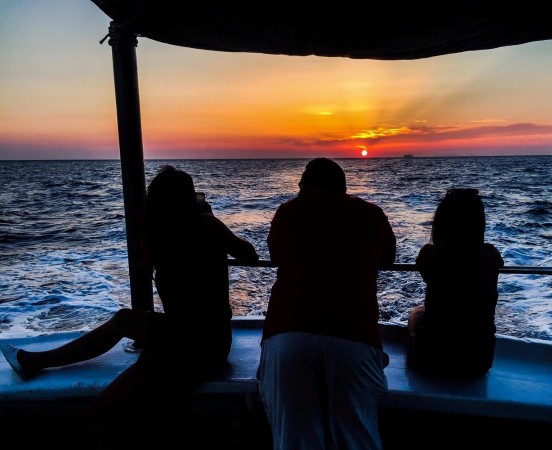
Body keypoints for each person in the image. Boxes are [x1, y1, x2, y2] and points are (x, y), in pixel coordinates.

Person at [0, 165, 259, 448]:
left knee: (98, 414)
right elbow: (249, 254)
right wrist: (210, 222)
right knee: (124, 319)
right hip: (212, 339)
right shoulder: (208, 226)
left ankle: (37, 363)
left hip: (185, 349)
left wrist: (147, 221)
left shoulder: (159, 237)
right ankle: (36, 361)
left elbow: (142, 264)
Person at [258, 157, 397, 450]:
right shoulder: (372, 215)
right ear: (343, 187)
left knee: (295, 439)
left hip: (288, 333)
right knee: (356, 438)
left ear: (305, 187)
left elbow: (276, 255)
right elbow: (388, 258)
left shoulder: (287, 212)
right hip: (354, 336)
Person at [407, 188, 504, 379]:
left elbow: (426, 270)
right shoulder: (490, 257)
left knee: (416, 312)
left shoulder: (430, 256)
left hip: (432, 360)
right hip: (478, 363)